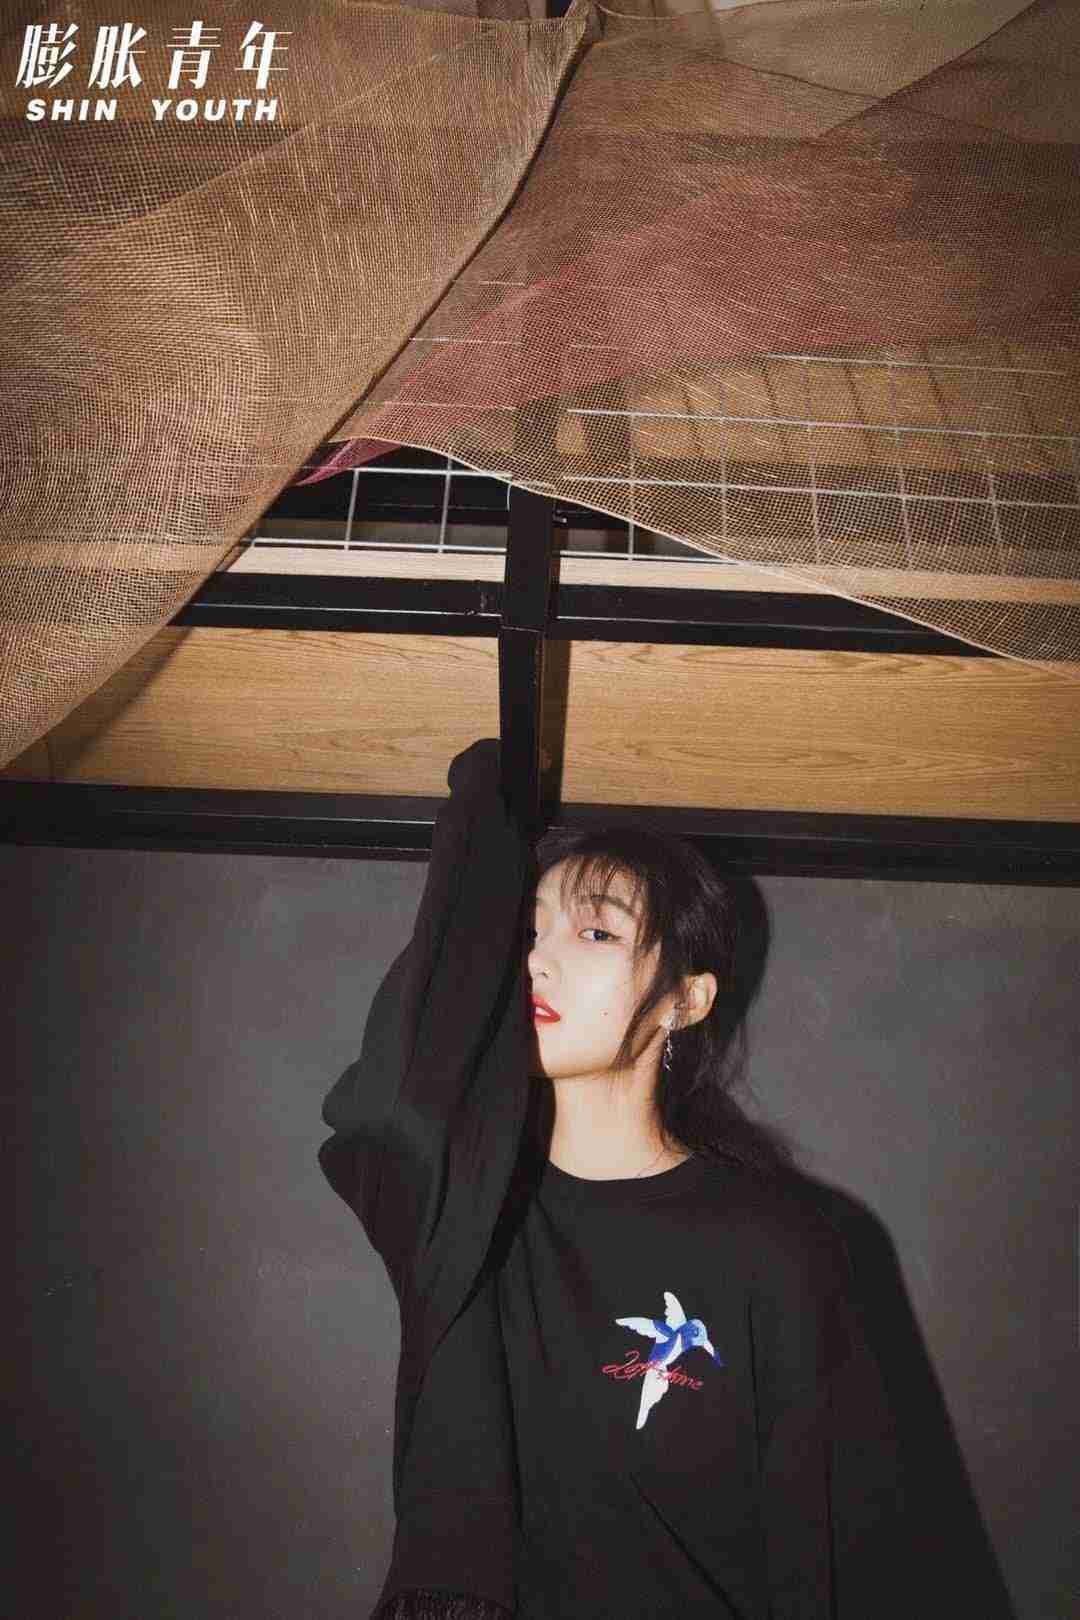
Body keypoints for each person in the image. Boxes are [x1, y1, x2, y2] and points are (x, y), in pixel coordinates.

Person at [320, 740, 912, 1620]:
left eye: (595, 931)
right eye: (528, 932)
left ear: (686, 999)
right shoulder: (461, 1212)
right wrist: (487, 807)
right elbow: (386, 1104)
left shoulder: (779, 1247)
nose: (536, 960)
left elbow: (837, 1553)